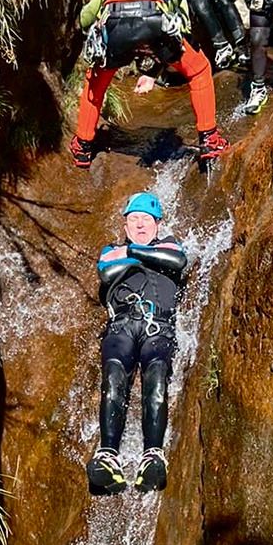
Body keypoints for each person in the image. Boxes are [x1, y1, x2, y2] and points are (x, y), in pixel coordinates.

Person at [70, 0, 231, 173]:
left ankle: (83, 146)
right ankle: (209, 139)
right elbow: (184, 23)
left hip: (115, 33)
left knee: (97, 81)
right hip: (157, 31)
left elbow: (84, 20)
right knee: (199, 71)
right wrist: (160, 61)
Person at [87, 191, 188, 495]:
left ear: (158, 223)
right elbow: (106, 272)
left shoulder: (170, 243)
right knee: (114, 377)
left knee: (156, 377)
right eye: (134, 219)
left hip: (159, 326)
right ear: (125, 224)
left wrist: (133, 253)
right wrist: (132, 252)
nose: (140, 225)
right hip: (121, 325)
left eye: (146, 219)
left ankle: (153, 455)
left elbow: (176, 259)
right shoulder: (110, 249)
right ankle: (108, 455)